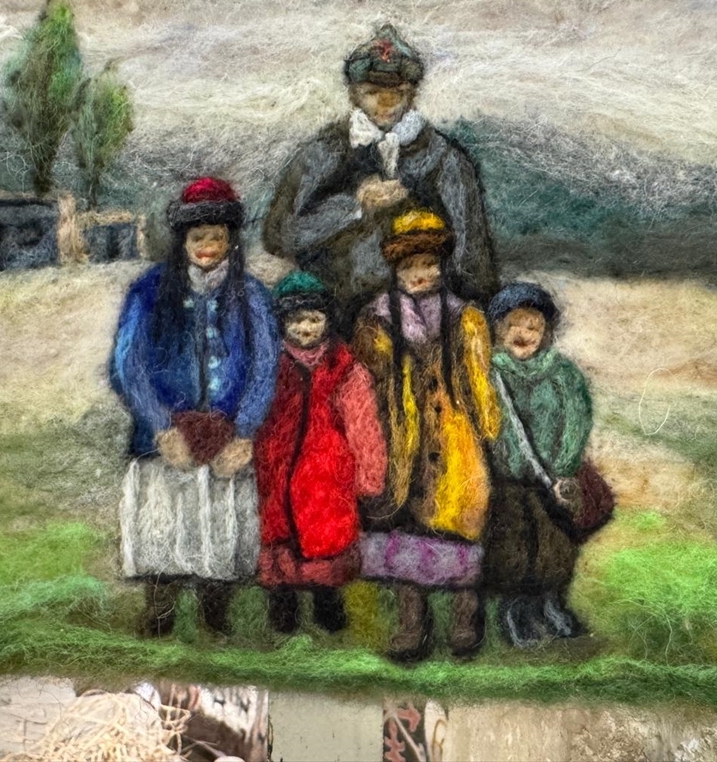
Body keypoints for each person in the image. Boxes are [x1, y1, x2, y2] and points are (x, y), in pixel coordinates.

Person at [110, 177, 280, 638]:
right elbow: (128, 364)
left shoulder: (252, 296)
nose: (207, 247)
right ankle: (159, 613)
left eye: (217, 237)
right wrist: (161, 427)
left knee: (219, 529)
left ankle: (214, 617)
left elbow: (266, 366)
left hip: (227, 438)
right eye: (198, 237)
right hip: (164, 439)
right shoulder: (149, 291)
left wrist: (245, 432)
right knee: (162, 527)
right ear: (182, 240)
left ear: (231, 241)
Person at [263, 24, 498, 332]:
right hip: (335, 323)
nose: (385, 104)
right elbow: (279, 235)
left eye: (396, 93)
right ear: (353, 94)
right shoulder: (323, 152)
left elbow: (471, 255)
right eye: (373, 93)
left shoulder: (445, 159)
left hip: (427, 324)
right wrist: (354, 206)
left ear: (412, 95)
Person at [353, 209, 501, 662]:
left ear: (442, 265)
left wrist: (488, 427)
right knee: (405, 528)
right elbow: (369, 382)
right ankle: (411, 623)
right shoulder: (377, 319)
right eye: (409, 266)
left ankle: (465, 619)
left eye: (429, 264)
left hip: (454, 437)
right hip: (403, 438)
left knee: (461, 521)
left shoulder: (465, 318)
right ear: (395, 269)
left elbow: (480, 383)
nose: (420, 274)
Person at [253, 271, 387, 634]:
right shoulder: (270, 365)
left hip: (327, 472)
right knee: (278, 535)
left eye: (314, 319)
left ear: (328, 320)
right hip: (278, 466)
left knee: (326, 538)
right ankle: (283, 603)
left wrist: (369, 474)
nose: (306, 328)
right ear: (282, 323)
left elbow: (363, 425)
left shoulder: (345, 368)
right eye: (296, 320)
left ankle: (327, 602)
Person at [482, 282, 596, 647]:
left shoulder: (563, 374)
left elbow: (577, 420)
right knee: (513, 548)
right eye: (514, 324)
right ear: (499, 329)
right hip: (508, 483)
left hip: (552, 483)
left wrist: (564, 466)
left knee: (555, 546)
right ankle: (516, 611)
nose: (523, 333)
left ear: (546, 332)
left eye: (533, 326)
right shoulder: (489, 373)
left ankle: (551, 604)